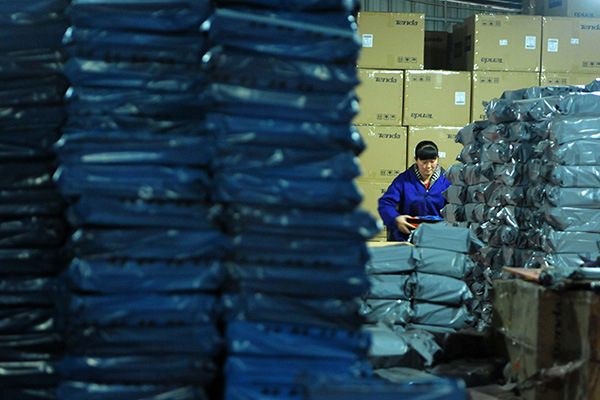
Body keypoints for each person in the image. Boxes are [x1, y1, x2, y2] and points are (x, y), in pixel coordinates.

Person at [378, 140, 451, 241]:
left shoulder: (447, 181)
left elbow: (458, 207)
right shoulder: (403, 180)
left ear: (437, 158)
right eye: (424, 162)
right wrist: (395, 219)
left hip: (438, 238)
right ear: (416, 160)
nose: (428, 166)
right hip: (407, 237)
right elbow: (385, 203)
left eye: (432, 161)